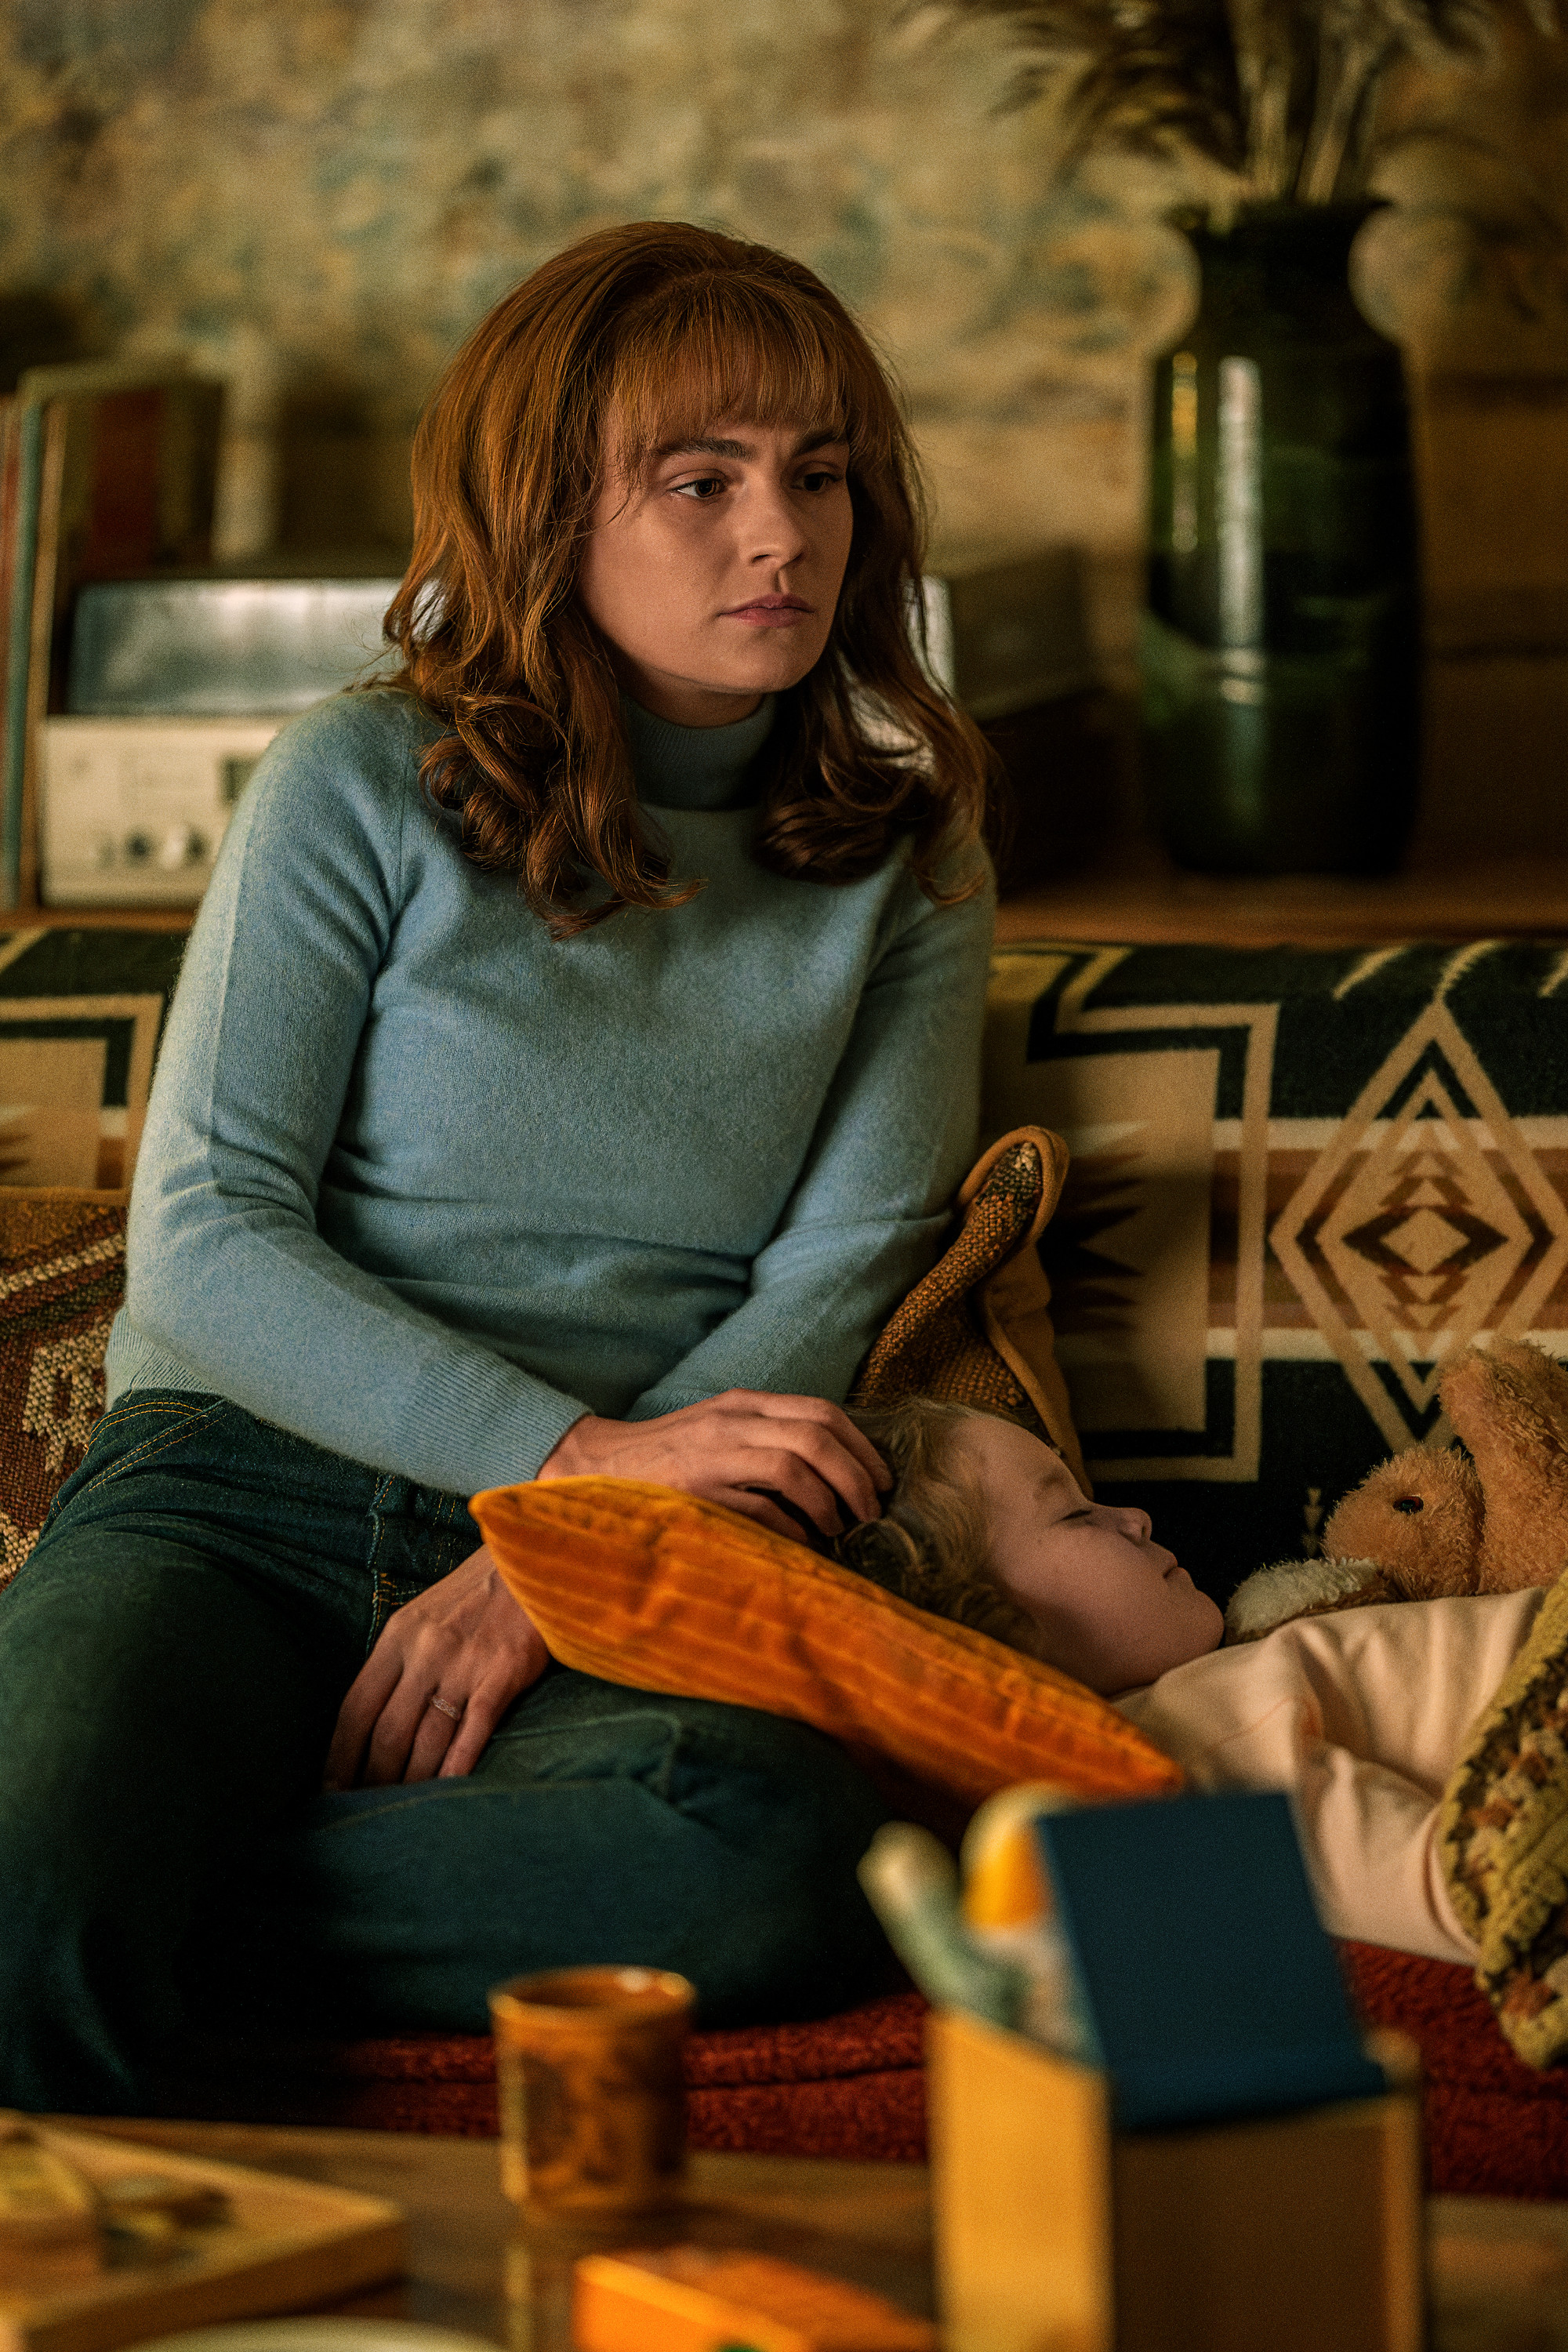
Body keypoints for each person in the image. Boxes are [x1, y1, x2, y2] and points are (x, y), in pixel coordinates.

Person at [0, 222, 997, 2113]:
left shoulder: (908, 851)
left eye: (818, 473)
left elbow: (839, 1263)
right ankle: (74, 1897)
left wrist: (575, 1546)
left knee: (766, 1857)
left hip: (637, 1534)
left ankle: (114, 1902)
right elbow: (205, 1238)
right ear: (548, 515)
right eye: (698, 481)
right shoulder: (355, 780)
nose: (780, 534)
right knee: (28, 1847)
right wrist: (565, 1464)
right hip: (240, 1486)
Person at [842, 1397, 1550, 1968]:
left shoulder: (1213, 1694)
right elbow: (1479, 1895)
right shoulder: (1181, 1753)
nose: (1135, 1517)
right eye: (1075, 1513)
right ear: (985, 1628)